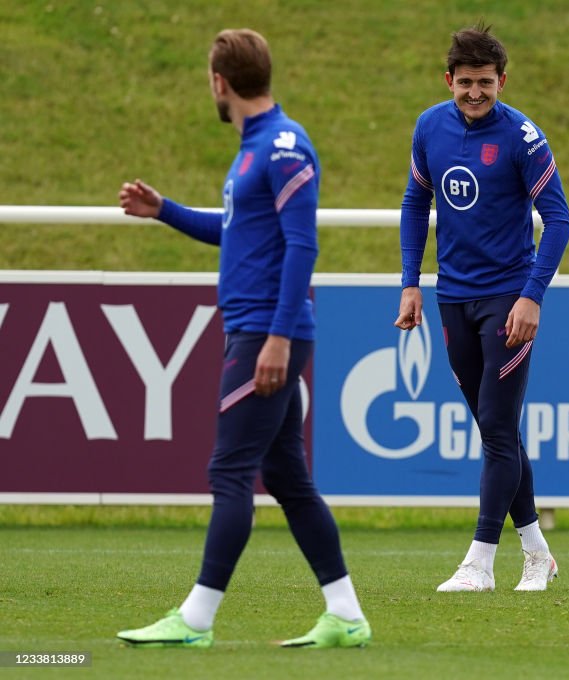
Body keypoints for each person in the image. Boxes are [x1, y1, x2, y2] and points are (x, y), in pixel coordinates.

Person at [115, 28, 370, 649]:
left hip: (264, 332)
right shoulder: (261, 144)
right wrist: (166, 210)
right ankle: (346, 615)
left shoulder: (282, 147)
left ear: (219, 82)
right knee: (287, 480)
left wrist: (278, 338)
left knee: (229, 472)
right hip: (261, 329)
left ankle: (196, 620)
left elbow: (303, 244)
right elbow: (240, 232)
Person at [395, 23, 569, 592]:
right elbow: (414, 201)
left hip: (507, 301)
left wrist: (531, 296)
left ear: (502, 81)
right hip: (453, 298)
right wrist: (410, 282)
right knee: (498, 430)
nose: (475, 92)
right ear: (449, 79)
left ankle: (479, 562)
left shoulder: (523, 137)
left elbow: (560, 220)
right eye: (466, 82)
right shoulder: (430, 126)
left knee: (496, 429)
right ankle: (538, 551)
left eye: (486, 83)